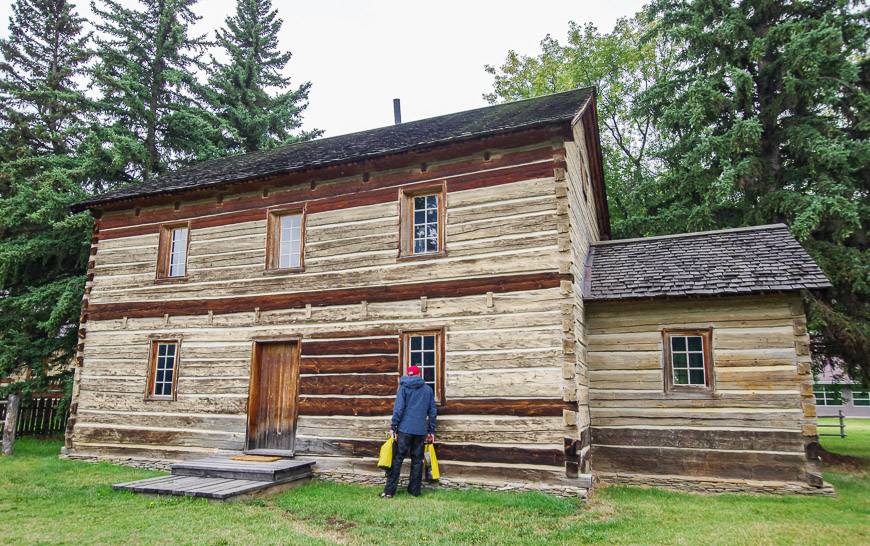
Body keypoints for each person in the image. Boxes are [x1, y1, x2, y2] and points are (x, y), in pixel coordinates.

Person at [381, 364, 437, 498]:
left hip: (404, 429)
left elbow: (398, 409)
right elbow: (433, 412)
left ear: (409, 374)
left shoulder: (403, 387)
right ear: (419, 374)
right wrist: (431, 431)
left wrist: (393, 427)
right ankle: (415, 491)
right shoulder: (428, 390)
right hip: (420, 431)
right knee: (417, 460)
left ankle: (389, 492)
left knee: (397, 459)